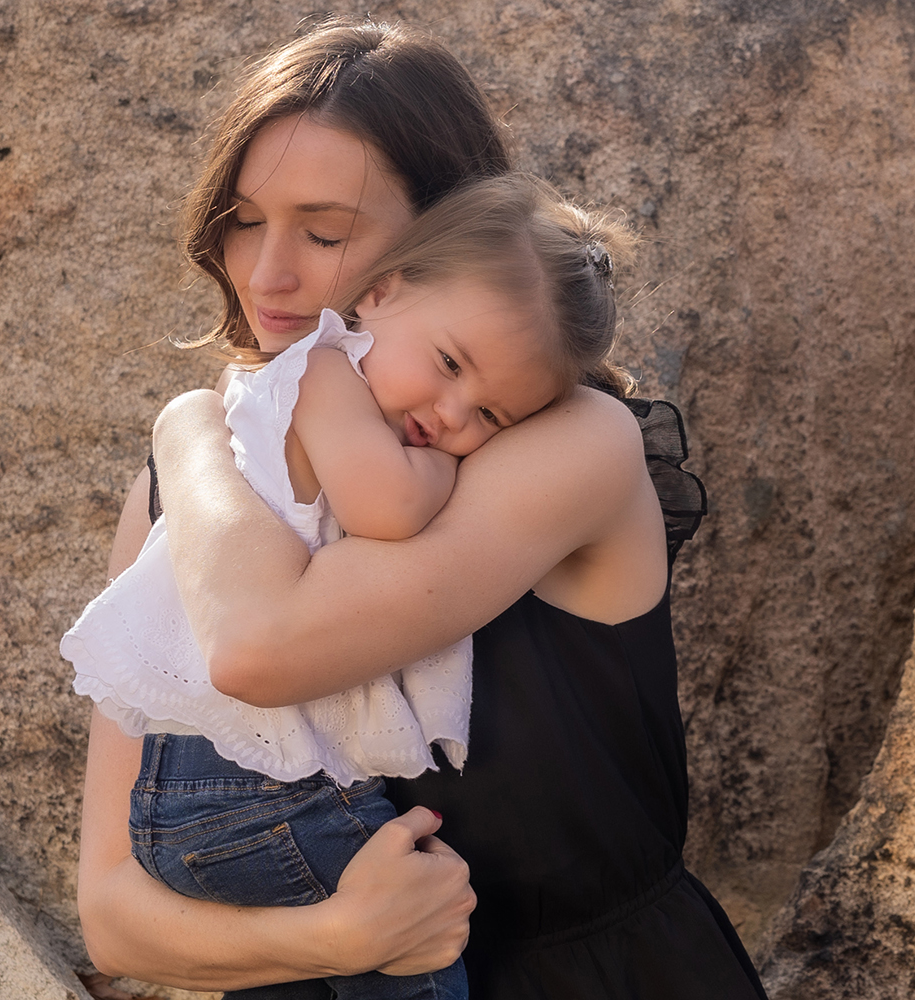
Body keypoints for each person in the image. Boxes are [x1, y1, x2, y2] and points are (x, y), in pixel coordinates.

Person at [76, 17, 768, 1000]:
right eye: (243, 219)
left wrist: (186, 426)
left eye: (324, 232)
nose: (268, 274)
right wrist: (337, 936)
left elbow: (257, 648)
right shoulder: (198, 486)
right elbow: (112, 912)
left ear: (437, 234)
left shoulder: (566, 443)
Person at [65, 174, 633, 1000]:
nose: (450, 414)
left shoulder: (573, 448)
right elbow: (386, 506)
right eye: (448, 365)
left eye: (491, 417)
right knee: (417, 960)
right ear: (386, 288)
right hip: (237, 779)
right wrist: (441, 468)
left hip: (217, 784)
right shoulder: (323, 373)